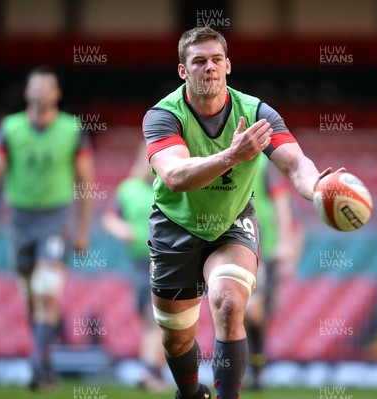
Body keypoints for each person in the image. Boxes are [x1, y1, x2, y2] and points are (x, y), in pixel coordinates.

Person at [143, 26, 344, 399]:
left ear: (229, 65)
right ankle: (189, 391)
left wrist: (317, 187)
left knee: (228, 300)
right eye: (199, 61)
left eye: (217, 60)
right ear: (183, 71)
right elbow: (174, 177)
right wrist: (231, 156)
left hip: (232, 224)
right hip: (175, 227)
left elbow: (295, 163)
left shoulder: (256, 112)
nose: (210, 68)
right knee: (175, 336)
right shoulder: (162, 116)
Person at [0, 66, 95, 391]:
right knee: (30, 297)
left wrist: (82, 229)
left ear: (57, 94)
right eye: (35, 88)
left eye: (46, 88)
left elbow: (86, 182)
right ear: (27, 93)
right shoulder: (10, 129)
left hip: (55, 220)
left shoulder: (72, 129)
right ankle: (45, 359)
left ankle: (38, 367)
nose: (40, 93)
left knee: (45, 291)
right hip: (20, 221)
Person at [101, 146, 168, 392]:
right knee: (151, 321)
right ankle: (154, 372)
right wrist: (120, 228)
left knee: (156, 319)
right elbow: (109, 218)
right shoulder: (128, 190)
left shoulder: (172, 188)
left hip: (165, 261)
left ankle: (151, 371)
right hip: (139, 264)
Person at [244, 155, 303, 390]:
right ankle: (251, 369)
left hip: (261, 250)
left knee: (253, 313)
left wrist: (287, 245)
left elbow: (281, 199)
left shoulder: (260, 163)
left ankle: (255, 368)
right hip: (229, 245)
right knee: (238, 311)